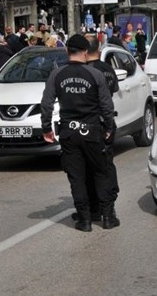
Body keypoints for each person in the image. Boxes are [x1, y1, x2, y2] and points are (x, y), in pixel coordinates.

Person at [40, 34, 118, 232]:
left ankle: (84, 220)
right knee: (101, 172)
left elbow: (46, 104)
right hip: (93, 132)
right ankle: (107, 217)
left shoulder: (57, 75)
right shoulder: (95, 74)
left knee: (77, 177)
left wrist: (46, 129)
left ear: (67, 51)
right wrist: (109, 127)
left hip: (69, 133)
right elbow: (107, 105)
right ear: (85, 52)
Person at [70, 34, 121, 222]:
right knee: (105, 167)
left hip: (89, 124)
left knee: (88, 170)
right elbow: (113, 91)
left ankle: (94, 209)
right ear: (97, 48)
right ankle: (107, 210)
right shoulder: (107, 68)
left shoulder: (83, 71)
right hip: (105, 123)